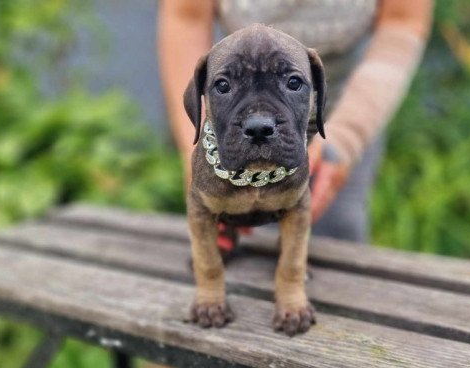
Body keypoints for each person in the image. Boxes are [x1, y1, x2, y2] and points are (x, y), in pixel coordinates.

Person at [159, 0, 433, 246]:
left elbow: (403, 20)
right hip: (234, 103)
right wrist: (199, 150)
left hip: (347, 101)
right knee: (238, 237)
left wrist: (346, 136)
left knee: (337, 229)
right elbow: (187, 17)